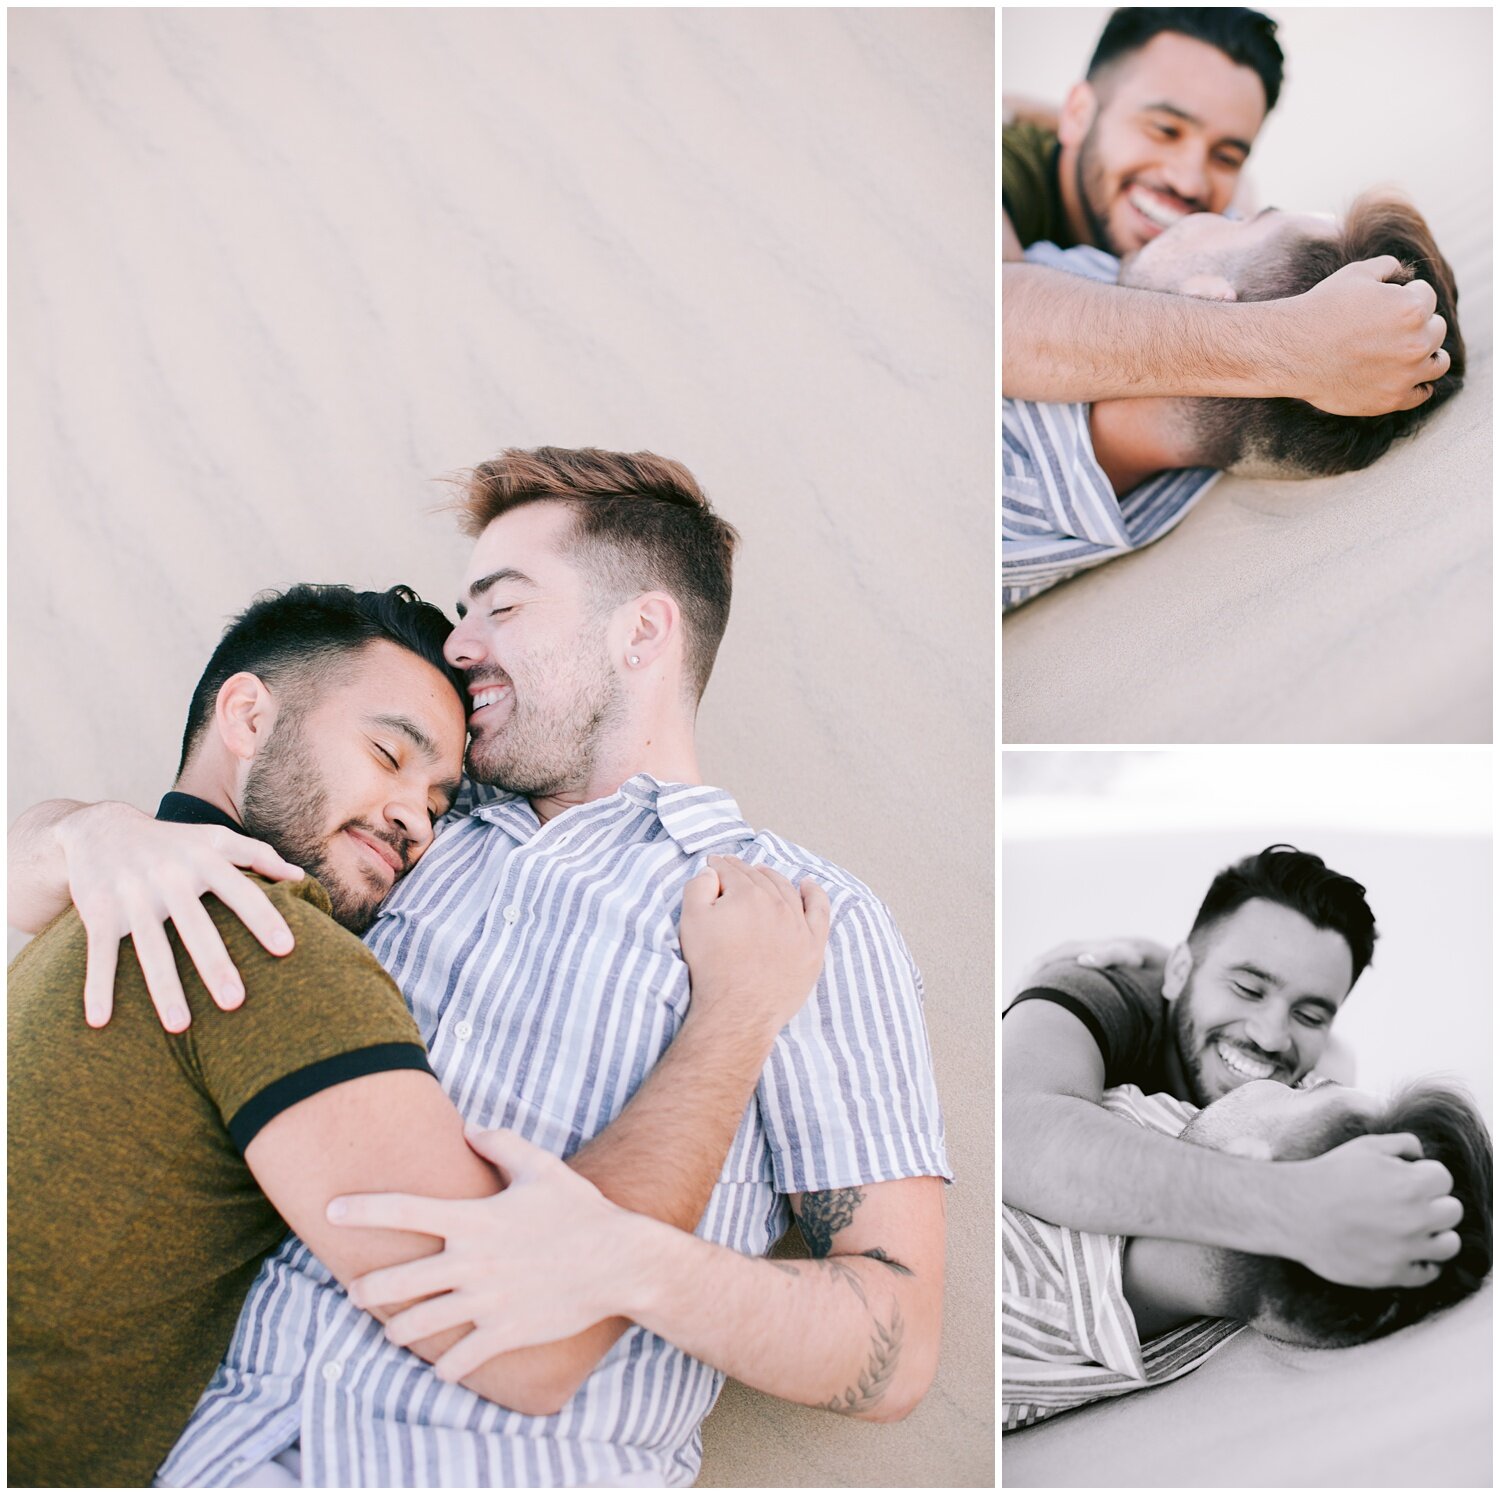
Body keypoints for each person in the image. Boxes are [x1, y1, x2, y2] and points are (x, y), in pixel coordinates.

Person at [8, 446, 950, 1487]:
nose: (461, 644)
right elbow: (135, 857)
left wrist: (632, 1262)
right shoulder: (399, 837)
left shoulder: (797, 918)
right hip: (202, 1460)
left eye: (501, 607)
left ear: (641, 630)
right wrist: (87, 830)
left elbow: (896, 1338)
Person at [1003, 846, 1464, 1291]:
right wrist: (1290, 1204)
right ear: (1179, 972)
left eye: (1310, 1015)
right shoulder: (1096, 992)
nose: (1271, 1036)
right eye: (1248, 987)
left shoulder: (1326, 1066)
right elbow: (1013, 1128)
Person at [1002, 193, 1465, 607]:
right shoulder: (1208, 449)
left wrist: (1285, 340)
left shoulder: (1003, 489)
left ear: (1204, 299)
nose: (1217, 207)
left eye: (1243, 220)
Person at [1002, 8, 1452, 424]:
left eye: (1226, 156)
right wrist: (1294, 347)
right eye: (1164, 129)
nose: (1191, 181)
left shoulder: (1220, 209)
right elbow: (1000, 319)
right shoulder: (992, 166)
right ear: (1078, 114)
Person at [1001, 1073, 1492, 1431]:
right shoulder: (1237, 1291)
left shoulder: (1014, 1305)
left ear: (1247, 1163)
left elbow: (1001, 1110)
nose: (1301, 1073)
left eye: (1303, 1090)